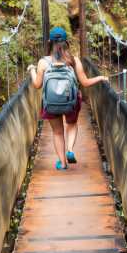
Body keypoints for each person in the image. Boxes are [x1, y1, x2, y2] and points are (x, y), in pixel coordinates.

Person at [28, 27, 108, 170]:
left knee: (57, 132)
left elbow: (37, 85)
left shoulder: (43, 62)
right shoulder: (73, 60)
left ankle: (62, 163)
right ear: (66, 42)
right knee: (71, 124)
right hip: (71, 101)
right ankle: (70, 150)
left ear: (49, 42)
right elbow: (85, 83)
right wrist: (100, 77)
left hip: (51, 104)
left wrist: (32, 70)